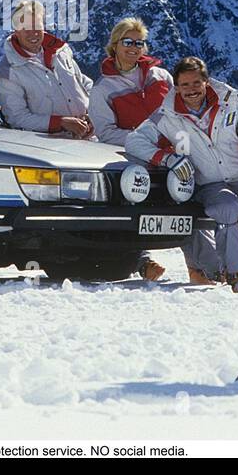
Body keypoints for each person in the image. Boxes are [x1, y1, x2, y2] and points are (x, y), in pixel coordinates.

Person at [126, 56, 238, 293]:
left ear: (206, 82)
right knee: (227, 208)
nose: (191, 90)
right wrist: (167, 158)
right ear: (176, 86)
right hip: (211, 185)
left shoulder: (231, 104)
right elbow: (135, 141)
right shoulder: (167, 115)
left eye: (196, 83)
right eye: (184, 85)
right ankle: (235, 275)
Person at [88, 17, 174, 281]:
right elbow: (106, 133)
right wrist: (141, 142)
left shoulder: (162, 76)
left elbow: (179, 114)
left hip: (171, 153)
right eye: (128, 42)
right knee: (133, 204)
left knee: (188, 205)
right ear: (115, 45)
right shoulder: (103, 89)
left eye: (140, 42)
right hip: (132, 157)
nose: (134, 48)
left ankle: (203, 268)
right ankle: (141, 261)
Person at [0, 0, 94, 139]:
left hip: (90, 138)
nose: (33, 33)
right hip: (51, 147)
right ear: (16, 31)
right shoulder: (8, 72)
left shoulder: (60, 52)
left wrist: (94, 113)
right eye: (25, 28)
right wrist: (61, 123)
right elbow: (17, 118)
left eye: (37, 26)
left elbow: (84, 83)